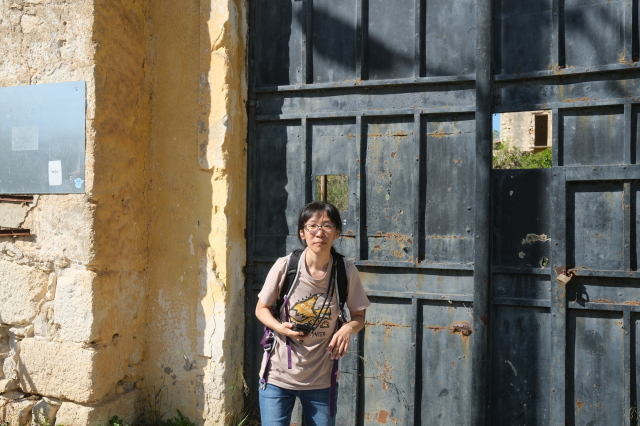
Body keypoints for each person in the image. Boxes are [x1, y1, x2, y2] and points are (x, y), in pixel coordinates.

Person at [255, 201, 370, 426]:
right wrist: (279, 328)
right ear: (302, 232)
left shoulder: (345, 271)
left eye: (327, 225)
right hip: (278, 377)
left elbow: (359, 317)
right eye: (312, 226)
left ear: (337, 232)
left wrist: (347, 329)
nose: (320, 232)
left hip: (322, 381)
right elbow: (261, 309)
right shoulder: (285, 266)